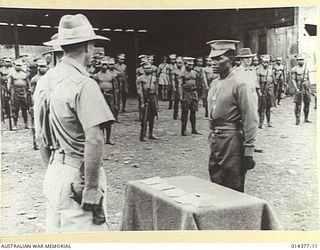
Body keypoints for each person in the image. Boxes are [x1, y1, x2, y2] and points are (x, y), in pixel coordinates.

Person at [33, 14, 114, 233]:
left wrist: (55, 171)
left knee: (57, 239)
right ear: (89, 47)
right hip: (79, 175)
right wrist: (91, 186)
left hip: (54, 169)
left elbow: (39, 136)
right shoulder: (84, 84)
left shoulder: (44, 81)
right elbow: (94, 138)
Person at [207, 40, 257, 192]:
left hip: (233, 140)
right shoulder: (214, 83)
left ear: (231, 59)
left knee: (232, 184)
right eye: (212, 59)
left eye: (219, 59)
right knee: (216, 181)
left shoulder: (240, 83)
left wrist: (249, 150)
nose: (214, 63)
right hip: (216, 139)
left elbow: (250, 117)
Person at [94, 57, 117, 145]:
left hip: (110, 96)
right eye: (103, 64)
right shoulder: (97, 76)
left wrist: (115, 101)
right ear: (100, 65)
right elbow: (94, 88)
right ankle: (102, 137)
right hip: (101, 97)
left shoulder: (111, 75)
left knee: (109, 118)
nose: (104, 66)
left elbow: (115, 88)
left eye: (106, 65)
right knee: (101, 117)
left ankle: (108, 138)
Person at [136, 62, 159, 141]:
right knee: (144, 117)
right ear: (143, 69)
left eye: (149, 68)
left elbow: (156, 91)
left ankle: (150, 133)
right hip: (145, 97)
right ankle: (143, 135)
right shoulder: (140, 78)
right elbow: (139, 91)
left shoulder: (154, 78)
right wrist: (142, 102)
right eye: (146, 68)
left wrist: (157, 103)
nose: (148, 69)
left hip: (152, 98)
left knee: (152, 116)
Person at [180, 57, 201, 136]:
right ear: (185, 64)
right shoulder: (183, 74)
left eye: (192, 65)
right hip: (186, 93)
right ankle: (183, 129)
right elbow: (180, 85)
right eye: (189, 65)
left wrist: (197, 93)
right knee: (185, 112)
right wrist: (182, 96)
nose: (191, 66)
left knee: (193, 112)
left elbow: (198, 82)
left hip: (193, 93)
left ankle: (194, 129)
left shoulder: (195, 73)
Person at [30, 58, 48, 150]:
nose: (43, 69)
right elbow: (32, 93)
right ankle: (36, 142)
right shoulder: (35, 79)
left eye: (44, 67)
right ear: (37, 68)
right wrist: (32, 105)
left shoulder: (50, 76)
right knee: (37, 123)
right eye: (41, 67)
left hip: (48, 102)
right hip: (37, 102)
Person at [7, 59, 31, 130]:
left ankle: (26, 124)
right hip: (15, 92)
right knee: (15, 109)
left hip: (23, 92)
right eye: (17, 65)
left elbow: (28, 82)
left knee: (24, 109)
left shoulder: (24, 74)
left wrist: (29, 89)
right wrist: (9, 91)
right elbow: (9, 83)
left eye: (20, 65)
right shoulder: (12, 74)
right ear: (14, 66)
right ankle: (15, 125)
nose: (18, 67)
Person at [291, 54, 312, 124]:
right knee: (298, 103)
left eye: (302, 60)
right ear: (297, 61)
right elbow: (293, 79)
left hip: (306, 86)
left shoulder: (306, 68)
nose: (301, 61)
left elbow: (308, 79)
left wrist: (310, 89)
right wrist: (296, 88)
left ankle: (306, 118)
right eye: (299, 60)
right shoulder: (294, 69)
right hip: (299, 86)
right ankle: (297, 118)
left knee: (307, 103)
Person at [256, 55, 276, 128]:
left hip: (269, 89)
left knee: (269, 106)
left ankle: (268, 122)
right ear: (262, 62)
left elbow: (273, 79)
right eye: (264, 62)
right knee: (262, 107)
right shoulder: (259, 70)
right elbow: (257, 81)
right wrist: (259, 92)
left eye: (267, 62)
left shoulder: (271, 69)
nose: (266, 64)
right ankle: (260, 123)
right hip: (262, 89)